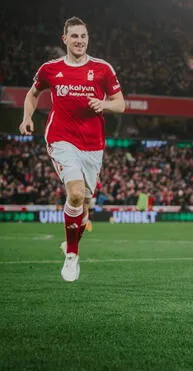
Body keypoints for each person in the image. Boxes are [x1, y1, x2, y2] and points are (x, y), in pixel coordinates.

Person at [18, 16, 125, 282]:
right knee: (75, 194)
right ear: (64, 39)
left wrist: (105, 105)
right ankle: (72, 255)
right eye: (74, 36)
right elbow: (33, 94)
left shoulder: (102, 69)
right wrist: (27, 117)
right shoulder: (50, 69)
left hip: (93, 145)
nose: (79, 41)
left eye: (83, 36)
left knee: (85, 204)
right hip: (61, 138)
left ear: (88, 39)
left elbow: (120, 103)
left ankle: (70, 242)